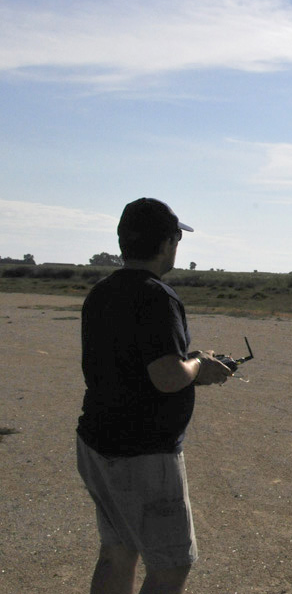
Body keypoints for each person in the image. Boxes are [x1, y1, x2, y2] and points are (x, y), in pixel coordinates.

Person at [76, 198, 233, 594]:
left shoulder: (102, 292)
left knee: (118, 549)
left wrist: (191, 361)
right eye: (177, 238)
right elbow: (166, 376)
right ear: (167, 243)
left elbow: (130, 364)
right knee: (171, 565)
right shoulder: (157, 296)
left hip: (97, 440)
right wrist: (200, 367)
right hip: (143, 453)